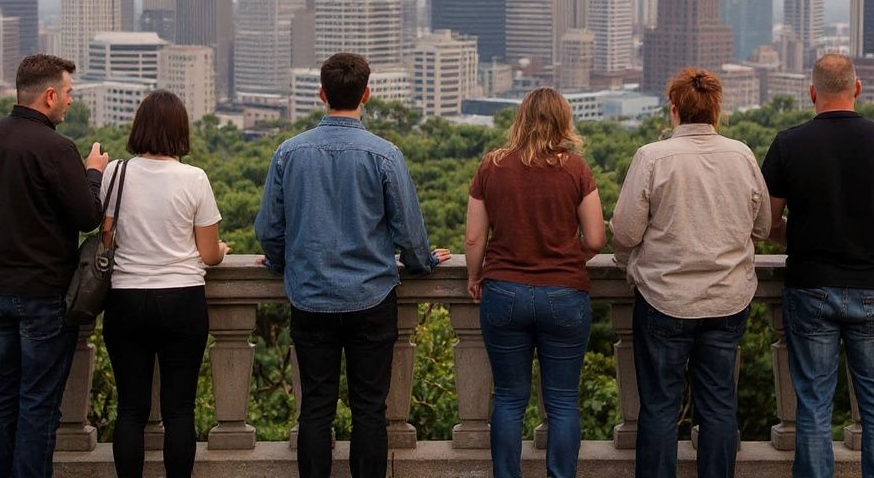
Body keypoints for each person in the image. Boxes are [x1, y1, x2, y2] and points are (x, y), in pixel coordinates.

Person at [254, 52, 451, 478]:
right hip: (371, 298)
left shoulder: (288, 153)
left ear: (322, 94)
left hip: (310, 298)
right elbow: (411, 235)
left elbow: (269, 227)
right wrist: (424, 263)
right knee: (369, 410)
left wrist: (280, 261)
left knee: (315, 409)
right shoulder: (384, 155)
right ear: (367, 95)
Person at [762, 54, 874, 478]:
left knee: (814, 404)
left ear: (812, 93)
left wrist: (797, 236)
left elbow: (764, 223)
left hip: (811, 286)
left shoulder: (788, 143)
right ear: (857, 88)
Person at [610, 68, 772, 478]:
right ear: (717, 109)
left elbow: (626, 232)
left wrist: (627, 260)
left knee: (660, 407)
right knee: (719, 406)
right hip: (727, 298)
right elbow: (764, 227)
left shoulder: (652, 157)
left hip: (664, 299)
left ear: (674, 110)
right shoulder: (742, 155)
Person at [0, 54, 109, 478]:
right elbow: (87, 216)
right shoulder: (57, 149)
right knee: (38, 403)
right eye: (69, 93)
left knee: (4, 393)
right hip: (42, 293)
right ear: (50, 95)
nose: (71, 102)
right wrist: (94, 173)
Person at [465, 87, 606, 478]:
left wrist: (475, 276)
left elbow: (475, 238)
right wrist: (563, 257)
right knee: (561, 402)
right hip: (564, 294)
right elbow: (596, 238)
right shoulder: (575, 169)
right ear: (563, 122)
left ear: (521, 118)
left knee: (509, 400)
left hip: (504, 291)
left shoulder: (491, 166)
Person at [101, 90, 228, 478]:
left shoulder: (115, 173)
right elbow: (208, 255)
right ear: (181, 131)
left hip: (125, 298)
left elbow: (107, 241)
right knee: (179, 410)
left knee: (130, 409)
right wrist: (221, 248)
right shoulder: (195, 179)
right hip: (182, 300)